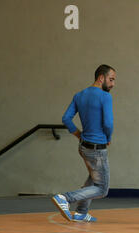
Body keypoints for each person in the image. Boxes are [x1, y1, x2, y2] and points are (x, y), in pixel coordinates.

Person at [51, 64, 116, 222]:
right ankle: (65, 198)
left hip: (83, 146)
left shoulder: (79, 95)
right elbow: (108, 123)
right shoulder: (105, 96)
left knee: (94, 178)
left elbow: (66, 119)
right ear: (101, 78)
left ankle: (81, 212)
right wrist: (108, 137)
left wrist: (78, 134)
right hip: (97, 148)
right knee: (102, 188)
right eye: (111, 79)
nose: (113, 84)